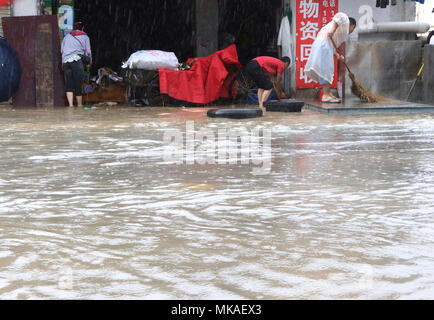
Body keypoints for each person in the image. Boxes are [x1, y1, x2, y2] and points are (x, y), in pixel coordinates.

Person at [305, 13, 356, 103]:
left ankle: (328, 94)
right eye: (353, 28)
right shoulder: (345, 20)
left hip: (325, 45)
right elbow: (339, 16)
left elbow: (332, 47)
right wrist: (333, 29)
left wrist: (338, 56)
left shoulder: (341, 32)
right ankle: (325, 95)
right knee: (326, 69)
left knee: (327, 69)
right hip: (323, 44)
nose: (352, 31)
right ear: (352, 26)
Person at [61, 21, 92, 107]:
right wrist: (89, 61)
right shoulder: (85, 36)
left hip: (66, 62)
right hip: (76, 61)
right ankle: (79, 105)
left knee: (69, 84)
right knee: (78, 84)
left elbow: (62, 50)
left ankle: (70, 106)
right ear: (82, 28)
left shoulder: (66, 36)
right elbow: (88, 51)